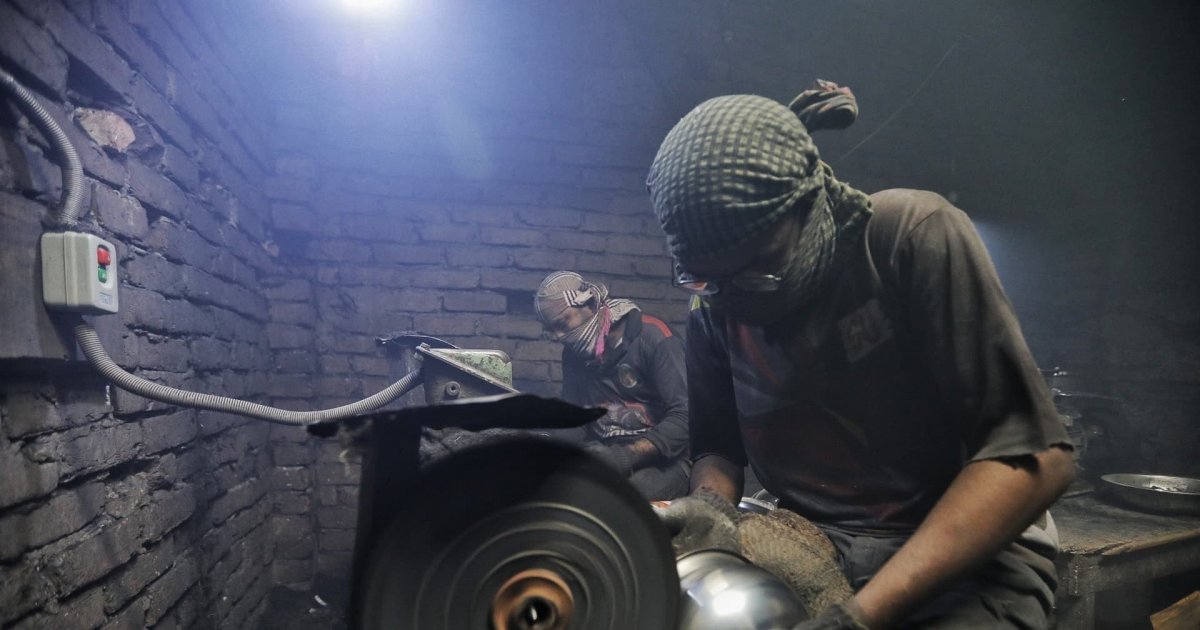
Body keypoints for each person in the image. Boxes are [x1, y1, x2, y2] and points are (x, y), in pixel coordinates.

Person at [646, 81, 1076, 628]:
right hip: (810, 537)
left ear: (808, 205)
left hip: (967, 550)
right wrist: (710, 508)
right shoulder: (715, 307)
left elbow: (1037, 460)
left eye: (761, 267)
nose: (737, 296)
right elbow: (718, 448)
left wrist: (857, 618)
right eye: (708, 278)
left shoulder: (907, 239)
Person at [534, 270, 691, 501]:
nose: (558, 336)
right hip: (604, 453)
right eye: (551, 330)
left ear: (590, 304)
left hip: (665, 460)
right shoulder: (574, 354)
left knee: (618, 505)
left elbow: (685, 416)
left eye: (563, 323)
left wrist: (625, 456)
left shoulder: (655, 338)